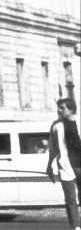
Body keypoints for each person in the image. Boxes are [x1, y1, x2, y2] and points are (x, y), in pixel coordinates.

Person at [47, 96, 81, 230]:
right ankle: (76, 227)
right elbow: (53, 147)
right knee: (70, 200)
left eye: (62, 108)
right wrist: (49, 165)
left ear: (71, 109)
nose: (58, 110)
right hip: (66, 166)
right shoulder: (56, 126)